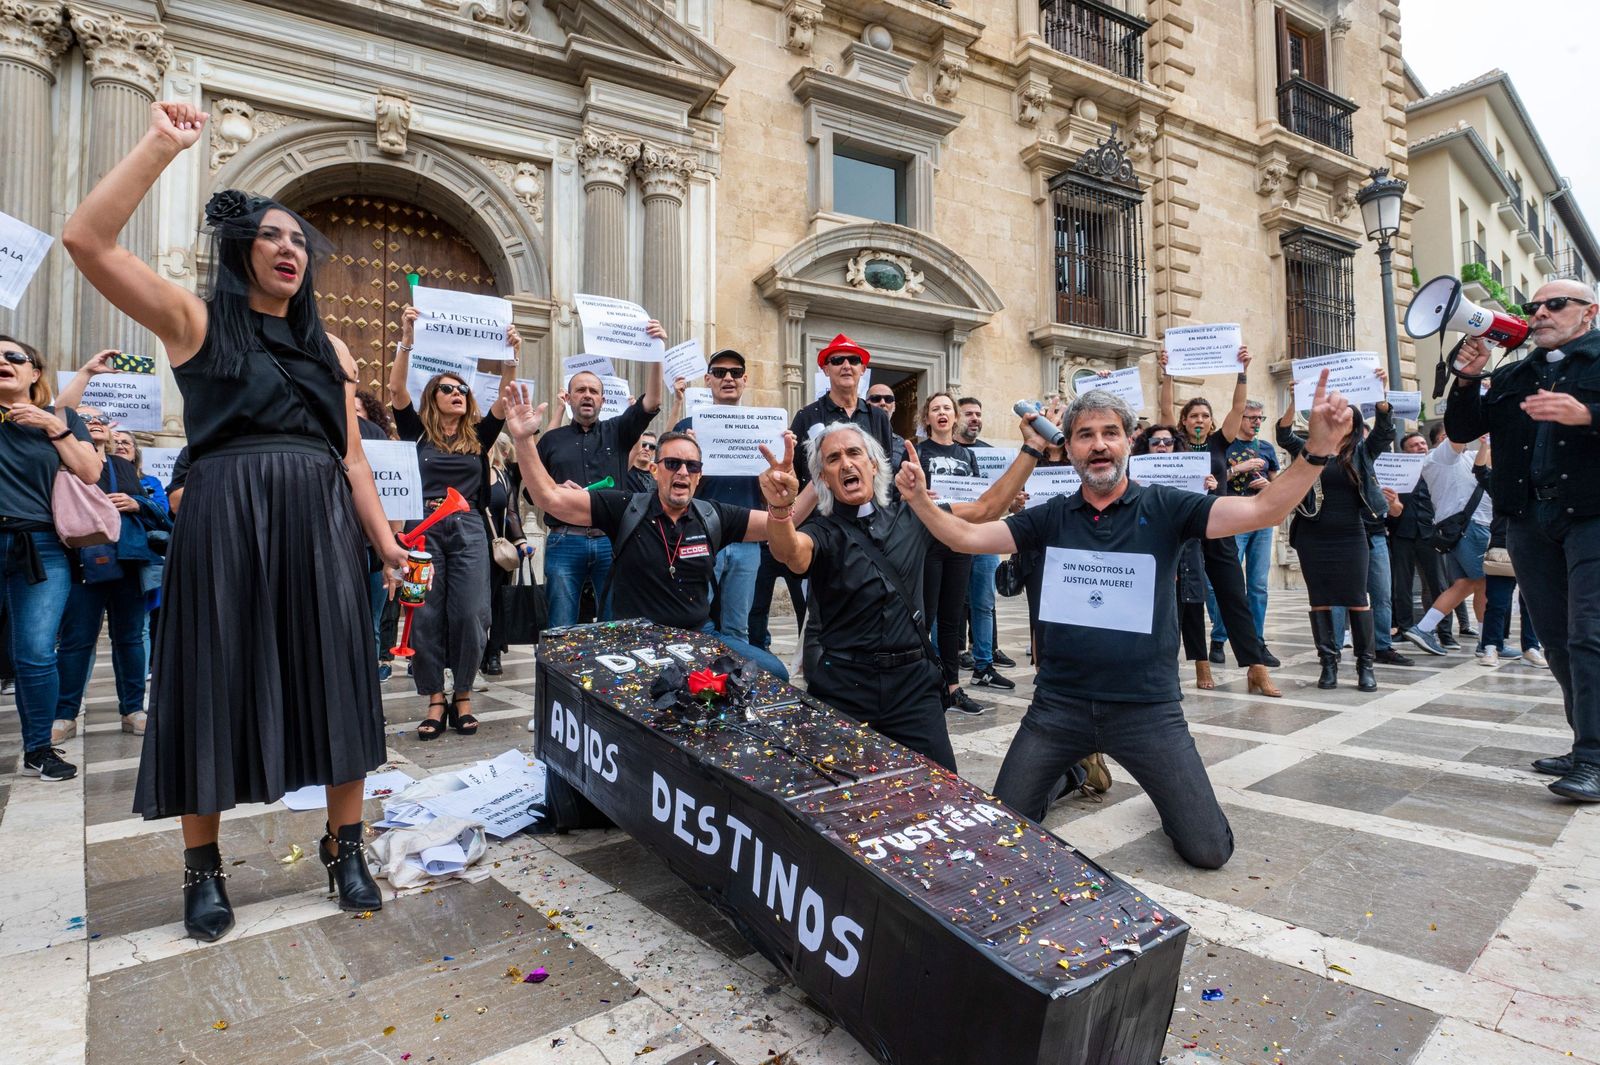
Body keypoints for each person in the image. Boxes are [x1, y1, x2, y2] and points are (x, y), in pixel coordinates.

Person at [63, 101, 407, 939]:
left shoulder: (335, 353)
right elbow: (87, 242)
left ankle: (345, 846)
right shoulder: (196, 321)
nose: (290, 249)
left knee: (338, 676)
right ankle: (203, 869)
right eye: (273, 236)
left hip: (318, 523)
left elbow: (354, 460)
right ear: (239, 250)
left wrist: (388, 544)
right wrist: (161, 146)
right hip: (224, 518)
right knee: (211, 678)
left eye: (300, 241)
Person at [896, 376, 1354, 868]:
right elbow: (966, 537)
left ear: (1128, 442)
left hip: (1147, 709)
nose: (1098, 445)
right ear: (1068, 447)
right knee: (1005, 832)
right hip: (1058, 707)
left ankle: (1168, 797)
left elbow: (1265, 508)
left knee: (1207, 851)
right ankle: (1074, 773)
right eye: (1085, 435)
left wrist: (1318, 450)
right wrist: (921, 500)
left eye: (1109, 433)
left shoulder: (1167, 507)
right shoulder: (1050, 518)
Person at [757, 414, 1049, 770]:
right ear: (823, 479)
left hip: (912, 686)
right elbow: (790, 553)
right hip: (844, 688)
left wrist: (1032, 448)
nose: (846, 463)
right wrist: (779, 509)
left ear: (874, 464)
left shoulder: (914, 514)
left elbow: (987, 508)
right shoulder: (823, 531)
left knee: (943, 791)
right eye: (833, 459)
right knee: (836, 805)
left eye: (854, 453)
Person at [1444, 278, 1600, 800]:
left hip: (1592, 517)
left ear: (1588, 312)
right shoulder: (1516, 373)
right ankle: (1586, 742)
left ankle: (1596, 757)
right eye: (1534, 307)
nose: (1541, 314)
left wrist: (1590, 415)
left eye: (1556, 305)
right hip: (1530, 521)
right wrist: (1466, 380)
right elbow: (1463, 431)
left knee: (1589, 635)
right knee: (1555, 637)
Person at [508, 389, 789, 677]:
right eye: (672, 464)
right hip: (637, 642)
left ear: (699, 475)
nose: (682, 471)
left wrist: (784, 501)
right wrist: (523, 439)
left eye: (691, 466)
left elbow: (781, 525)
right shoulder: (626, 507)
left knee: (774, 671)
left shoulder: (713, 514)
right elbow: (549, 498)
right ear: (655, 470)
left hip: (698, 638)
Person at [388, 306, 520, 738]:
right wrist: (407, 337)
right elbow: (394, 389)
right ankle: (434, 699)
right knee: (424, 616)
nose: (457, 393)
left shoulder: (479, 436)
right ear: (433, 397)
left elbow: (505, 398)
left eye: (462, 388)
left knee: (469, 613)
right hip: (423, 530)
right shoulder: (416, 433)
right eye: (448, 388)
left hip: (467, 530)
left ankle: (462, 693)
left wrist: (510, 355)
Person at [0, 335, 103, 781]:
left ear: (34, 373)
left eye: (12, 357)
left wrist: (50, 426)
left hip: (40, 548)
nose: (3, 362)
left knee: (36, 653)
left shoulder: (60, 420)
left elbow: (91, 471)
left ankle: (39, 748)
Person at [1158, 349, 1282, 693]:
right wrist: (1167, 373)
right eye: (1193, 415)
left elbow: (1238, 409)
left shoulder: (1218, 442)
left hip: (1217, 523)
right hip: (1182, 528)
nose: (1199, 420)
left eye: (1204, 416)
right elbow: (1165, 408)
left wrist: (1242, 373)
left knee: (1234, 593)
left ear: (1211, 422)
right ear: (1184, 422)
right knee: (1191, 596)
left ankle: (1255, 668)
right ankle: (1200, 662)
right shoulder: (1177, 443)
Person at [49, 400, 168, 739]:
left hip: (127, 560)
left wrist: (137, 503)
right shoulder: (61, 463)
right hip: (80, 561)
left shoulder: (122, 465)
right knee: (76, 640)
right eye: (85, 418)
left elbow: (155, 511)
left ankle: (132, 710)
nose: (96, 422)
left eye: (101, 418)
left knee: (130, 638)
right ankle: (65, 715)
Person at [1276, 380, 1393, 691]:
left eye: (1351, 419)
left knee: (1358, 600)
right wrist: (1294, 399)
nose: (1344, 422)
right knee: (1321, 601)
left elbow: (1385, 433)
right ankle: (1328, 665)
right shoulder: (1311, 448)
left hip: (1351, 534)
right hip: (1314, 535)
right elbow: (1283, 434)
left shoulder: (1362, 452)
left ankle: (1365, 667)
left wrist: (1381, 399)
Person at [537, 347, 664, 628]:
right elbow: (532, 492)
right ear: (568, 398)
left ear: (603, 400)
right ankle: (560, 672)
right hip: (564, 541)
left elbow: (653, 400)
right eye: (580, 390)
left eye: (593, 391)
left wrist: (657, 353)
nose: (587, 395)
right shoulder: (551, 441)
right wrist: (556, 488)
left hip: (609, 541)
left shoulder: (618, 431)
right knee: (560, 625)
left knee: (612, 622)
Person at [672, 349, 765, 644]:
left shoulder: (763, 427)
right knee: (693, 618)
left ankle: (734, 685)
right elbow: (671, 484)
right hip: (702, 533)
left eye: (735, 373)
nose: (728, 378)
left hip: (748, 536)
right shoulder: (686, 428)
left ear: (745, 380)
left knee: (738, 626)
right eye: (721, 372)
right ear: (708, 379)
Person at [1134, 424, 1217, 689]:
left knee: (1192, 604)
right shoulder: (1135, 471)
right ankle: (1160, 668)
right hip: (1151, 546)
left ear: (1175, 446)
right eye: (1155, 442)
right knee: (1158, 610)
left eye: (1167, 442)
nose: (1161, 446)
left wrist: (1209, 489)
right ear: (1146, 446)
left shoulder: (1191, 470)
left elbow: (1205, 512)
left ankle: (1202, 665)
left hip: (1186, 545)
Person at [1401, 435, 1491, 656]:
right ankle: (1488, 642)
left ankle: (1423, 628)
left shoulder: (1469, 457)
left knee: (1464, 584)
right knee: (1483, 583)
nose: (1420, 446)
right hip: (1469, 528)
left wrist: (1487, 442)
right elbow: (1457, 438)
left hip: (1464, 529)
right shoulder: (1438, 457)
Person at [953, 396, 1017, 685]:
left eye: (978, 414)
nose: (975, 418)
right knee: (949, 605)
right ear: (956, 417)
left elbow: (1004, 497)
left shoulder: (993, 455)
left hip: (985, 539)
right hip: (951, 538)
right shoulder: (948, 453)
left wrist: (1014, 503)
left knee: (983, 603)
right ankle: (945, 665)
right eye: (968, 414)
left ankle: (984, 665)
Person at [1212, 399, 1279, 655]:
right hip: (1234, 517)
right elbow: (1215, 480)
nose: (1257, 422)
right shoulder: (1224, 446)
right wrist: (1239, 468)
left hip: (1262, 519)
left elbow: (1277, 485)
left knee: (1258, 584)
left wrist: (1268, 487)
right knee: (1229, 582)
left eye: (1260, 418)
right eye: (1252, 417)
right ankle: (1219, 638)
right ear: (1240, 418)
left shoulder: (1266, 447)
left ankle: (1257, 642)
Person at [353, 388, 399, 681]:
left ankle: (368, 691)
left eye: (358, 413)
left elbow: (396, 504)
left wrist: (390, 549)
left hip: (372, 551)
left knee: (370, 622)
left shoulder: (385, 450)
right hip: (339, 544)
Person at [1388, 432, 1446, 644]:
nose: (1420, 447)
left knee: (1438, 585)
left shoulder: (1437, 467)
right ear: (1405, 451)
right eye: (1413, 445)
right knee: (1401, 585)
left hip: (1431, 534)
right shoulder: (1395, 471)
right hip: (1402, 533)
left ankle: (1444, 632)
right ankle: (1404, 628)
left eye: (1422, 443)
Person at [483, 437, 533, 676]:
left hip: (498, 551)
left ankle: (493, 653)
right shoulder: (469, 474)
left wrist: (520, 540)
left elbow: (511, 510)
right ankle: (477, 650)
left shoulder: (502, 475)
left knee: (499, 603)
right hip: (472, 548)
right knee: (476, 605)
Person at [1477, 512, 1546, 667]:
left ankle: (1531, 648)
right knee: (1497, 601)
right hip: (1502, 545)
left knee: (1531, 602)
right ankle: (1491, 647)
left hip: (1535, 543)